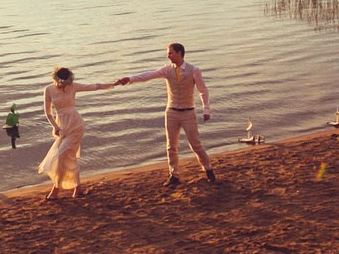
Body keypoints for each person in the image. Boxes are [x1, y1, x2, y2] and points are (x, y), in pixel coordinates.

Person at [116, 42, 216, 187]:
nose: (168, 55)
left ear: (179, 53)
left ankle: (209, 170)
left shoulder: (194, 70)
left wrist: (206, 109)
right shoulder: (167, 69)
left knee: (195, 144)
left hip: (188, 112)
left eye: (170, 53)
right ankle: (174, 175)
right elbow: (148, 75)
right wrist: (129, 79)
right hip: (171, 112)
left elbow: (203, 90)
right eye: (168, 53)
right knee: (171, 146)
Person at [39, 67, 115, 200]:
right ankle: (77, 188)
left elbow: (93, 86)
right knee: (70, 156)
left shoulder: (73, 86)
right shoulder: (48, 89)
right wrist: (55, 127)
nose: (64, 85)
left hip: (76, 124)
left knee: (63, 155)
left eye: (66, 82)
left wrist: (113, 84)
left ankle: (56, 189)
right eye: (62, 82)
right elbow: (48, 113)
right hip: (61, 126)